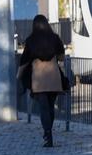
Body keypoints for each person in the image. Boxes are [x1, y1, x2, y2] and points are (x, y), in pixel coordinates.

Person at [18, 15, 66, 147]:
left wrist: (19, 76)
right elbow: (61, 57)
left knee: (43, 108)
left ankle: (47, 134)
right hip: (53, 76)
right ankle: (49, 132)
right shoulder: (55, 38)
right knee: (50, 107)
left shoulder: (31, 40)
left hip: (38, 78)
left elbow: (24, 60)